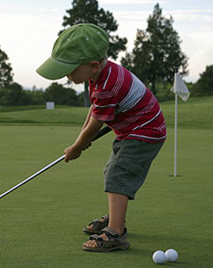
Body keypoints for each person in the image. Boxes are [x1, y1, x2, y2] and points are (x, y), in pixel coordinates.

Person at [36, 23, 166, 252]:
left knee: (119, 174)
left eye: (70, 70)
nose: (67, 76)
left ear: (93, 66)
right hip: (131, 130)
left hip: (145, 132)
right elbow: (95, 112)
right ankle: (117, 219)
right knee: (112, 171)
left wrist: (77, 147)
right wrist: (80, 140)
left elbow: (96, 124)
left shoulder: (107, 84)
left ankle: (116, 233)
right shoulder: (101, 75)